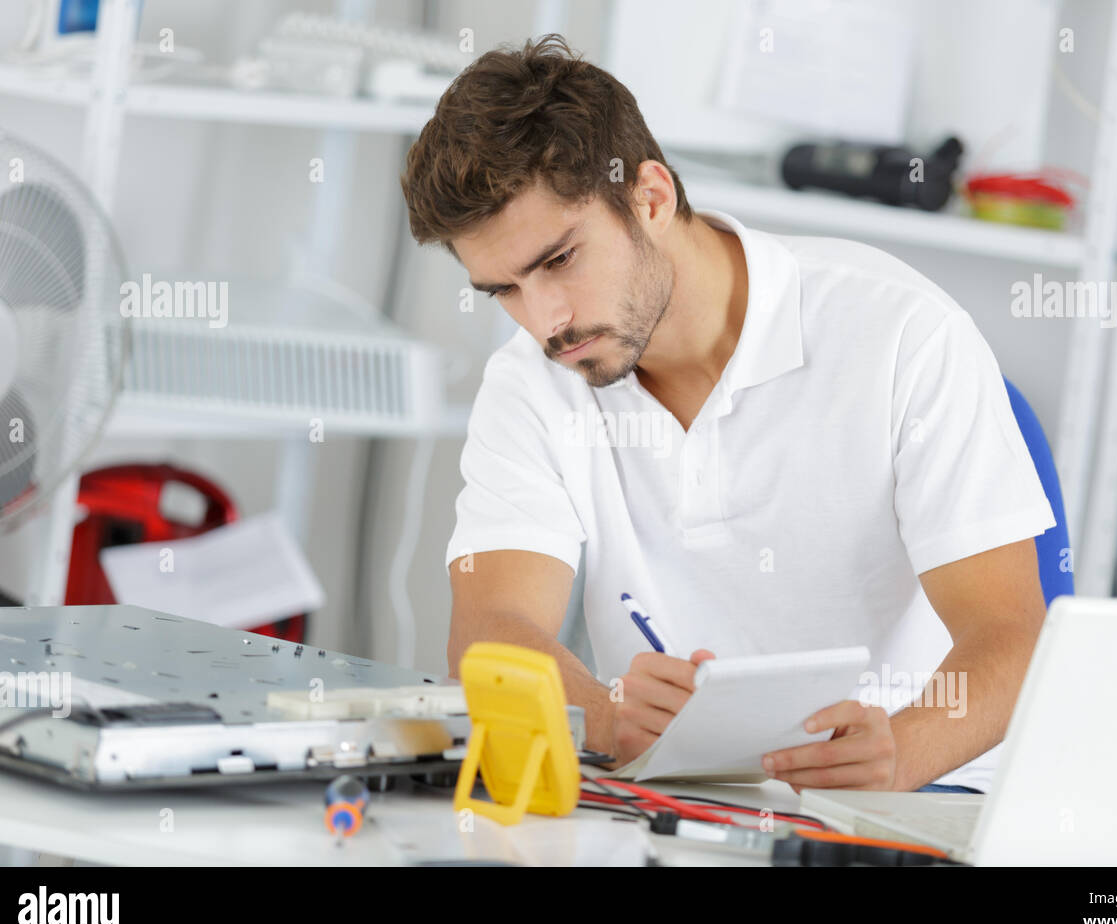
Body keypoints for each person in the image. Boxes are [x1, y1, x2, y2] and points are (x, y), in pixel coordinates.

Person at [401, 35, 1054, 793]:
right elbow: (491, 631)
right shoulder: (530, 382)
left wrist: (900, 751)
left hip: (909, 799)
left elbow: (1010, 632)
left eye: (559, 261)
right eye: (504, 290)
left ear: (650, 197)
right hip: (680, 801)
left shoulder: (902, 332)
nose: (546, 321)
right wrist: (607, 718)